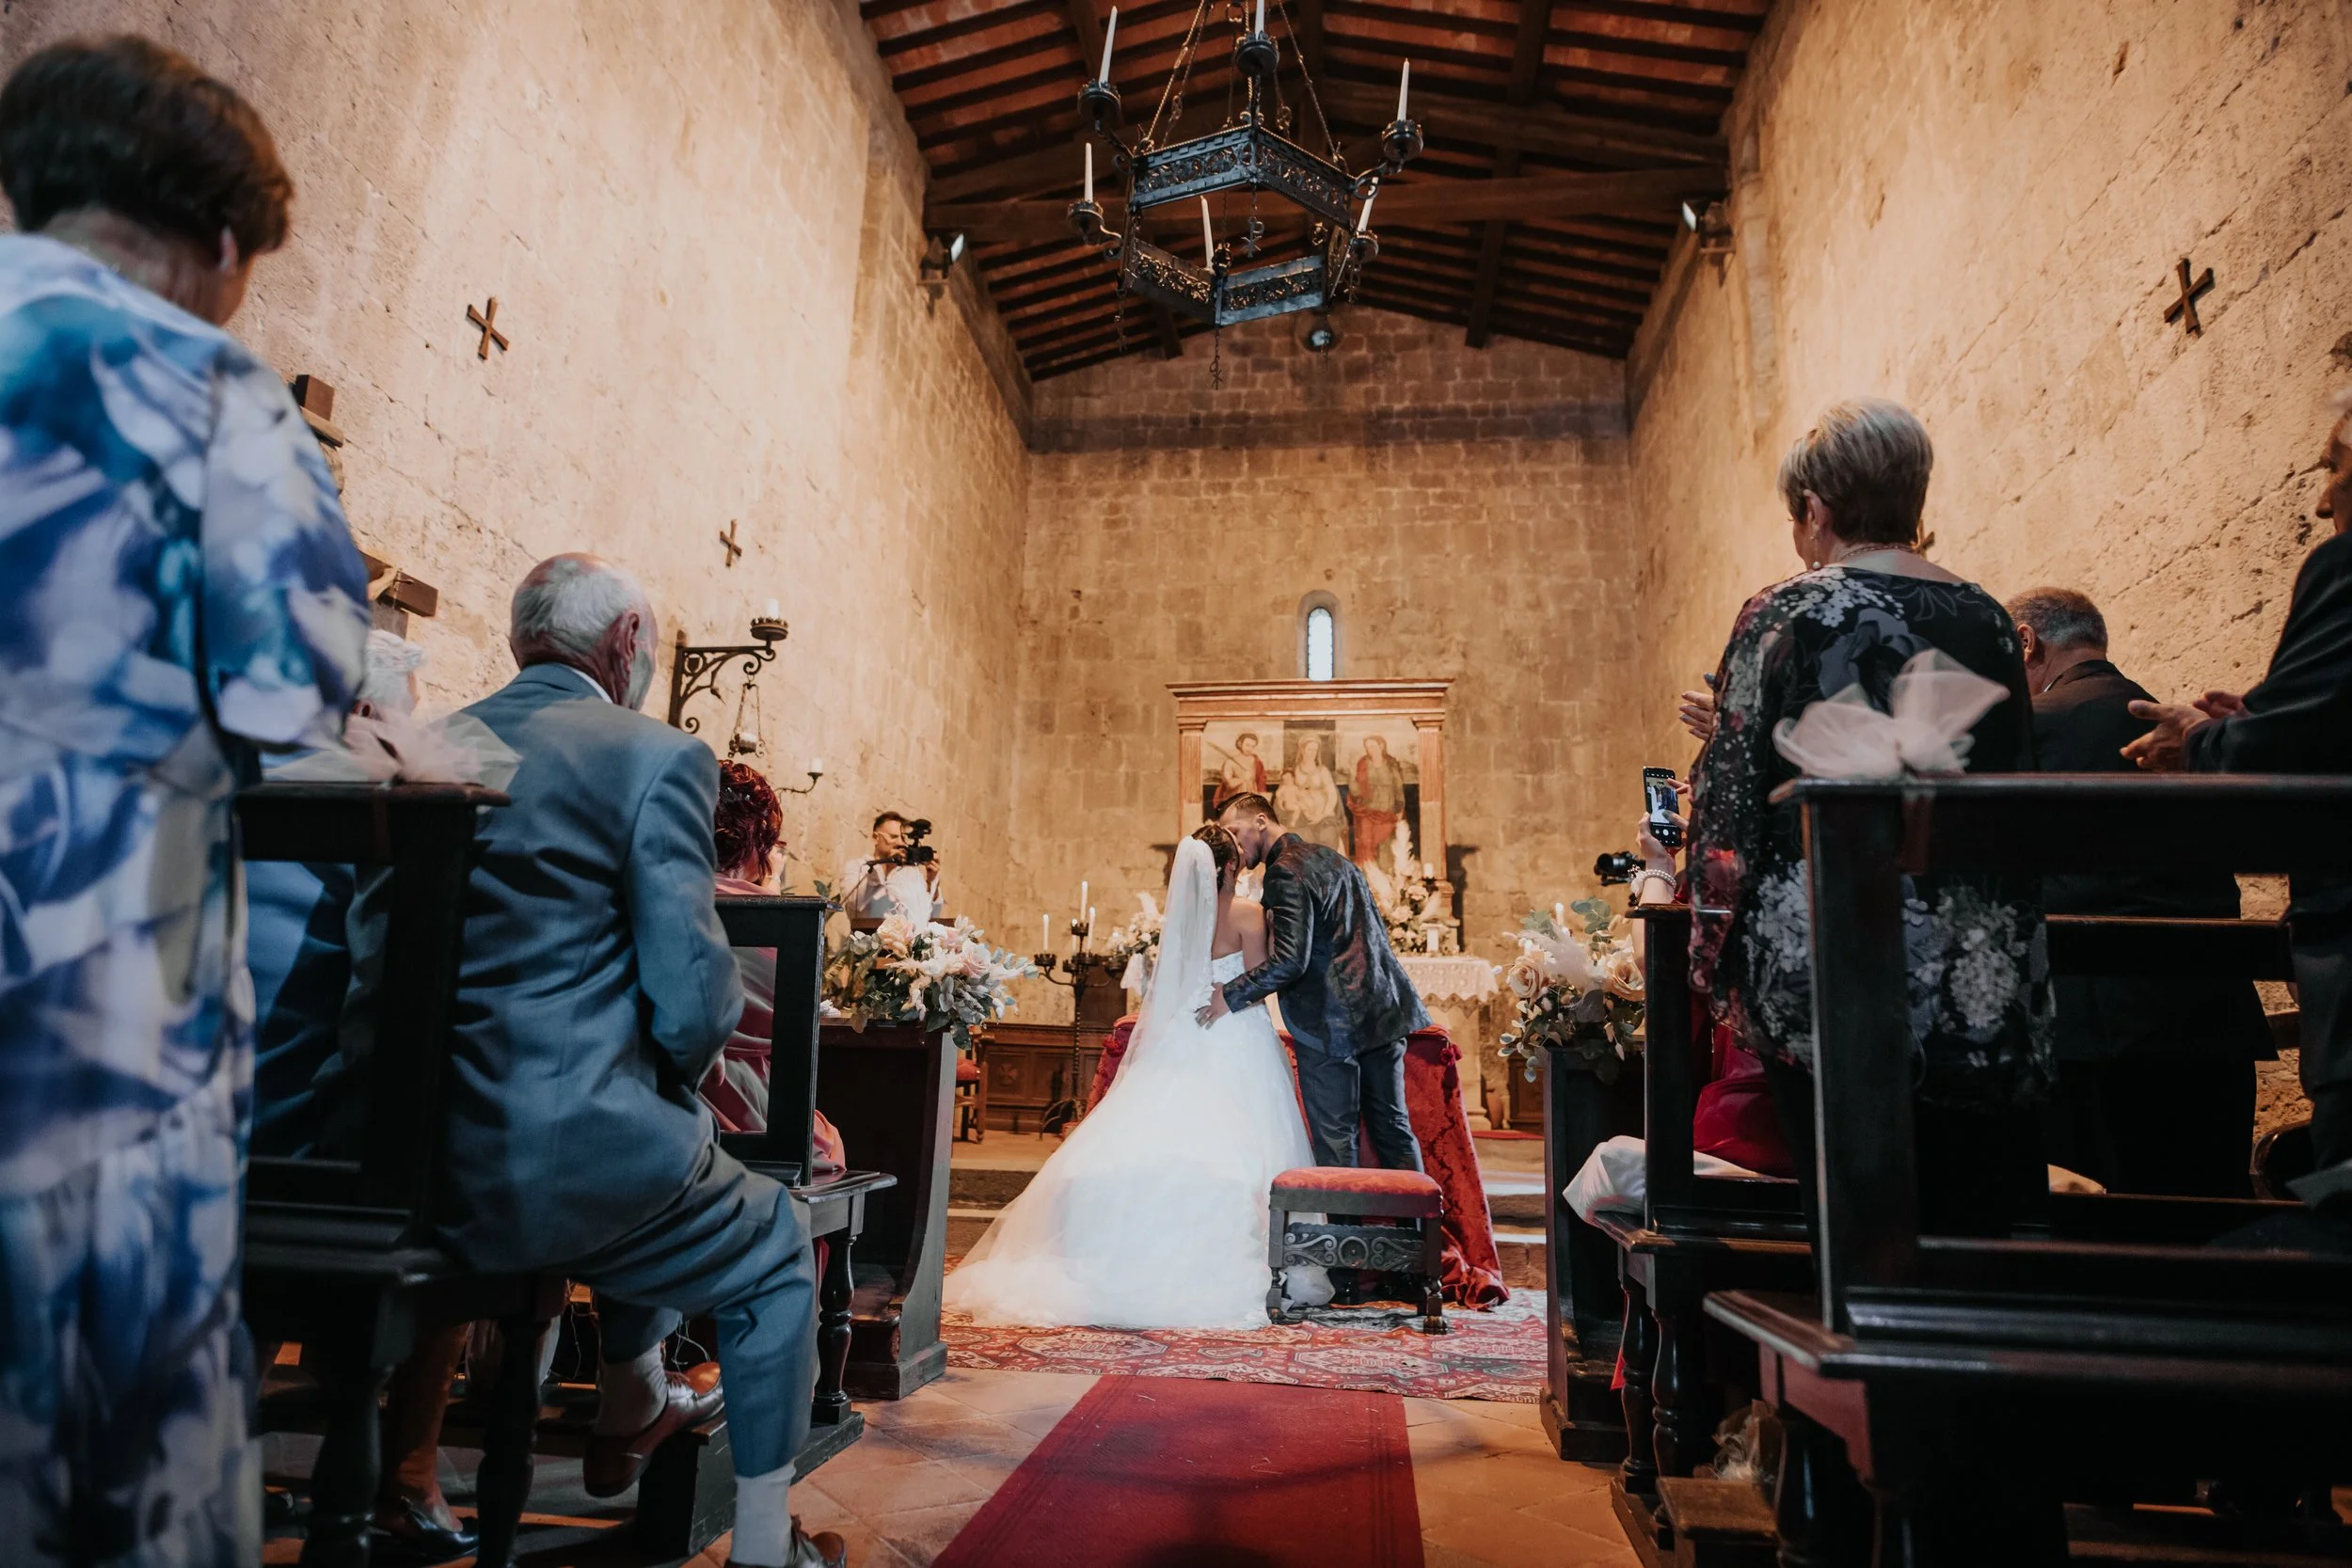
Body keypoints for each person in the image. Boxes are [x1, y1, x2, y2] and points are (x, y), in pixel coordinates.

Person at [0, 36, 370, 1565]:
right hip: (88, 999)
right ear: (220, 251)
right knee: (102, 1429)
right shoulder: (209, 386)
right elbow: (296, 689)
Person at [334, 556, 841, 1568]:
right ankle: (760, 1543)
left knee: (661, 1157)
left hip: (390, 1153)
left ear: (524, 639)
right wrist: (664, 1083)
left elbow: (370, 952)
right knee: (773, 1244)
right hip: (557, 1150)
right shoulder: (652, 754)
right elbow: (696, 998)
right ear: (622, 644)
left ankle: (629, 1392)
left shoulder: (430, 744)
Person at [1688, 398, 2051, 1240]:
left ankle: (1863, 1345)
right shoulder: (1990, 619)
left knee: (1854, 1206)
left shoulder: (1784, 614)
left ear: (1815, 509)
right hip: (1978, 966)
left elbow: (1730, 800)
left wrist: (1710, 957)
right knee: (1970, 1208)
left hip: (1833, 963)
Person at [945, 827, 1327, 1326]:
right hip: (1237, 1033)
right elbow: (1256, 986)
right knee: (1251, 1142)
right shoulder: (1250, 916)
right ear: (1232, 868)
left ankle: (1121, 1251)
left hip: (1184, 1034)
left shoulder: (1183, 920)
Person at [2125, 388, 2352, 1189]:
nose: (2325, 496)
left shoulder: (2344, 566)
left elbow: (2287, 752)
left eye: (2338, 467)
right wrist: (2257, 717)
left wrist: (2208, 741)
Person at [2007, 587, 2272, 1198]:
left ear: (2026, 640)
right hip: (2211, 1024)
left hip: (2092, 1035)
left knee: (2107, 1242)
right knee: (2206, 1224)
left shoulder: (2027, 728)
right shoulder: (2180, 728)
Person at [1209, 792, 1430, 1172]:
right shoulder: (1333, 858)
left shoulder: (1284, 872)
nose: (1232, 841)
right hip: (1383, 1010)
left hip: (1331, 1024)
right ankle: (1416, 1229)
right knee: (1393, 1130)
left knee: (1337, 1140)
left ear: (1261, 822)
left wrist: (1229, 995)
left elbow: (1289, 961)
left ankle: (1344, 1232)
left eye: (1234, 829)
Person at [704, 761, 846, 1175]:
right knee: (830, 1145)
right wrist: (770, 889)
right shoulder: (776, 922)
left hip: (660, 1109)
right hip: (754, 1121)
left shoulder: (653, 899)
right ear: (758, 842)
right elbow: (787, 1023)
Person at [837, 810, 942, 921]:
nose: (900, 843)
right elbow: (855, 903)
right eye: (893, 837)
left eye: (903, 838)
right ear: (875, 837)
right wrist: (887, 867)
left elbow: (931, 916)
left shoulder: (909, 873)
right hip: (865, 936)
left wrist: (932, 883)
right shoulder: (856, 867)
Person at [1351, 735, 1408, 870]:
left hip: (1387, 810)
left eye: (1373, 746)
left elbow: (1398, 788)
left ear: (1381, 746)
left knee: (1385, 843)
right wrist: (1354, 789)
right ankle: (1368, 873)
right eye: (1367, 747)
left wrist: (1399, 809)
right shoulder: (1363, 763)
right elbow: (1356, 786)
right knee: (1366, 840)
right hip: (1367, 810)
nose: (1370, 750)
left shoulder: (1391, 764)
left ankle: (1385, 873)